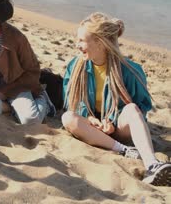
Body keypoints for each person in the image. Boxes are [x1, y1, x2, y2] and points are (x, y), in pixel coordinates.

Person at [62, 12, 170, 186]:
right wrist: (90, 118)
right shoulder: (76, 66)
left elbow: (143, 106)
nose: (77, 45)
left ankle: (152, 164)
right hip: (90, 128)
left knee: (132, 109)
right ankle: (124, 150)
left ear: (100, 42)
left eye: (82, 40)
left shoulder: (130, 70)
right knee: (67, 118)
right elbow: (70, 102)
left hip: (118, 128)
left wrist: (111, 122)